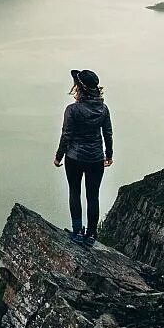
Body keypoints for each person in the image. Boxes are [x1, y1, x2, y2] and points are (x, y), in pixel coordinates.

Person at [53, 68, 113, 246]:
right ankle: (92, 235)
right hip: (96, 158)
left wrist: (58, 156)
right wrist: (108, 155)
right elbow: (108, 134)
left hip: (74, 158)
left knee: (75, 192)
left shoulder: (72, 110)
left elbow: (66, 135)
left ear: (79, 88)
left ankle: (78, 232)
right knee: (93, 196)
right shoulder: (103, 109)